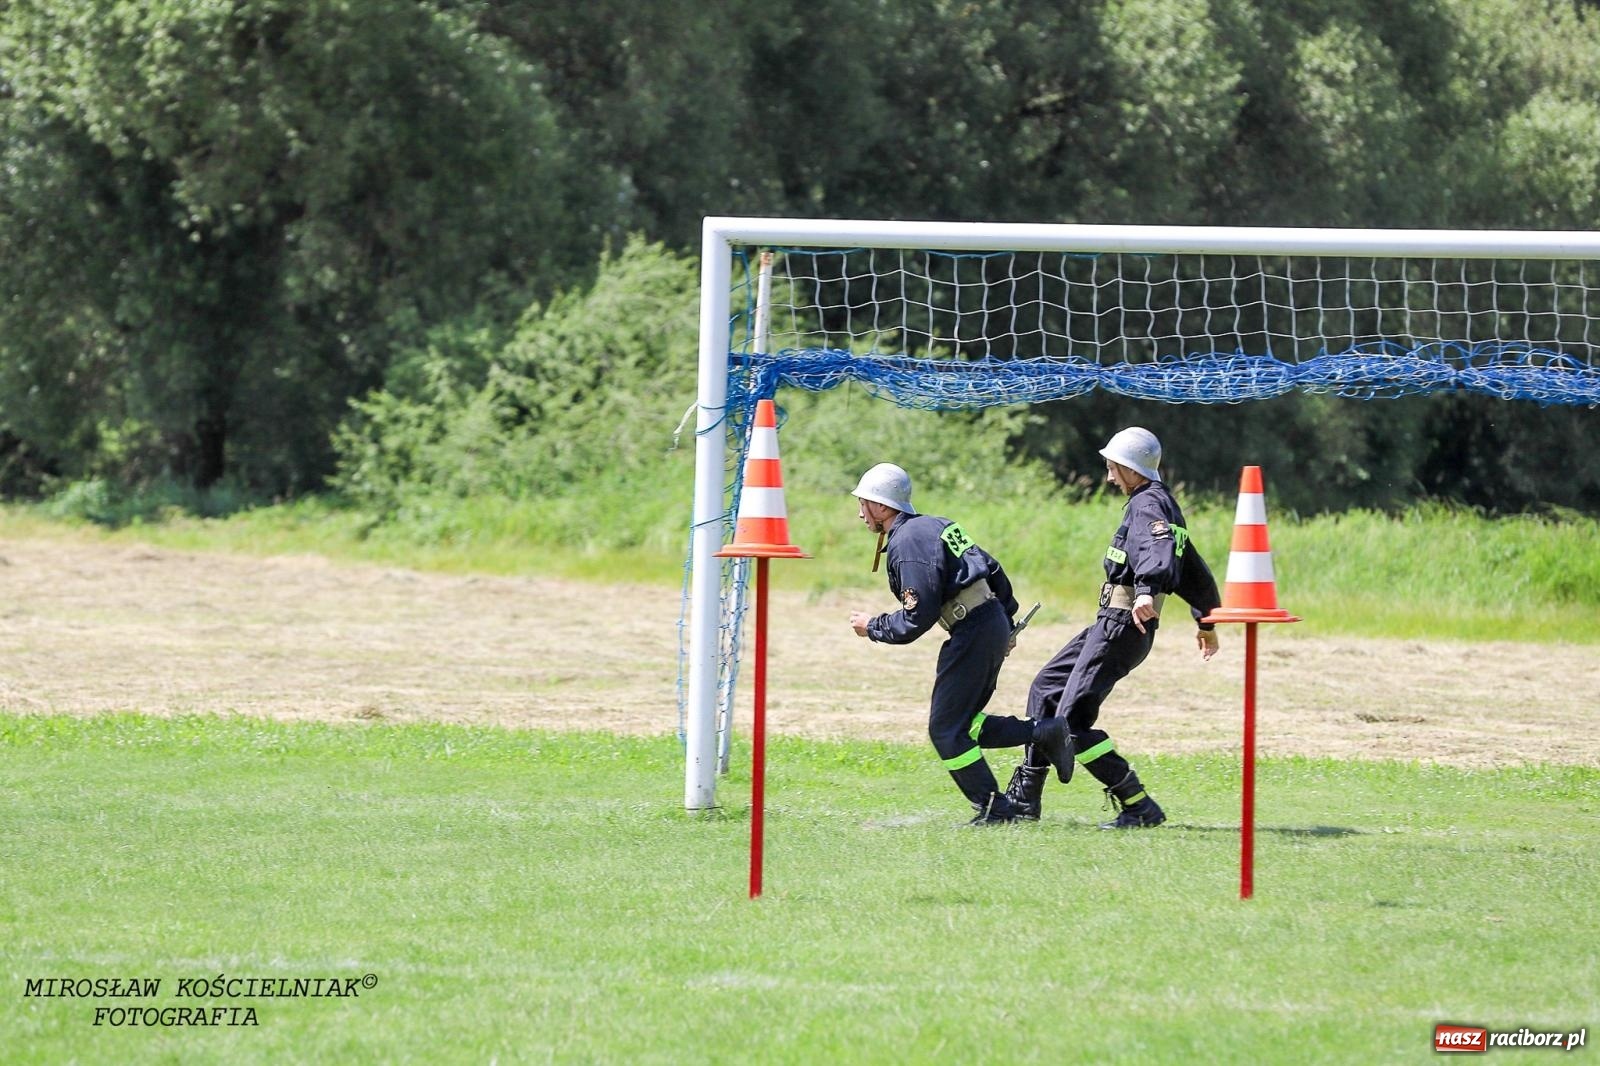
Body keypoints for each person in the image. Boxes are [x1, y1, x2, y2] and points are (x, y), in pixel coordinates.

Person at [1004, 427, 1221, 829]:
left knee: (1069, 724)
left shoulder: (1147, 505)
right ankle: (1026, 797)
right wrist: (1206, 619)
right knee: (1046, 689)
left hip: (1124, 623)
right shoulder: (1161, 503)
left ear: (1130, 468)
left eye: (1112, 467)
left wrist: (1146, 590)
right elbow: (1193, 567)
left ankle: (1138, 806)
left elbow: (1155, 553)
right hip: (1110, 622)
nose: (1108, 477)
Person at [847, 462, 1073, 825]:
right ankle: (1042, 732)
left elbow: (915, 620)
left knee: (946, 730)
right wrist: (1006, 621)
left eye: (864, 503)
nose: (860, 513)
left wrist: (872, 625)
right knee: (963, 723)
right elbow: (993, 569)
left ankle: (996, 810)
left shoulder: (907, 542)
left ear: (883, 507)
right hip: (987, 623)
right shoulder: (937, 525)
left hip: (974, 630)